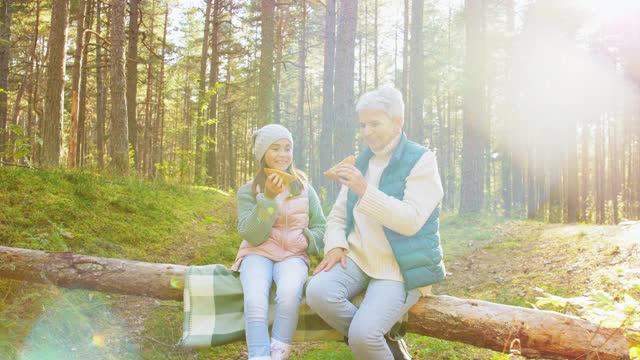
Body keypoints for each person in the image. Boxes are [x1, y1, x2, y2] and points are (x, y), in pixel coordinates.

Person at [306, 84, 445, 360]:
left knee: (363, 336)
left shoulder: (422, 161)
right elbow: (337, 216)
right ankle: (386, 343)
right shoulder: (362, 160)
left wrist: (364, 190)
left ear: (397, 122)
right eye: (362, 125)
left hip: (399, 268)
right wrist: (335, 245)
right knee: (317, 292)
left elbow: (410, 221)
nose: (366, 132)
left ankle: (371, 339)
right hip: (358, 259)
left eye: (374, 124)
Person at [231, 124, 326, 360]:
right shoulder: (248, 191)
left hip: (293, 255)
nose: (283, 154)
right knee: (254, 298)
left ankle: (277, 355)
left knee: (289, 293)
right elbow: (252, 234)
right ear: (263, 153)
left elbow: (321, 226)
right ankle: (259, 356)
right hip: (257, 252)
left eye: (287, 148)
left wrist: (308, 239)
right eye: (275, 149)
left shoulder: (304, 189)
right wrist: (269, 199)